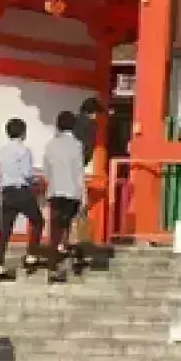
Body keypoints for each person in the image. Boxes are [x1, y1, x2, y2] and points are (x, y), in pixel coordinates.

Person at [0, 117, 43, 282]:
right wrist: (36, 180)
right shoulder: (24, 151)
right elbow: (28, 174)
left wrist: (2, 187)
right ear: (22, 133)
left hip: (7, 192)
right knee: (38, 221)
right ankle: (31, 257)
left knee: (4, 230)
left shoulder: (2, 151)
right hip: (22, 191)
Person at [41, 111, 88, 283]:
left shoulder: (50, 145)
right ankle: (71, 260)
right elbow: (79, 172)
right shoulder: (77, 145)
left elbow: (46, 171)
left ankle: (53, 266)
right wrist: (84, 194)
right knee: (70, 225)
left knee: (55, 229)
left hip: (55, 191)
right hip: (72, 192)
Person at [70, 98, 104, 267]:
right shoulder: (90, 126)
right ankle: (80, 251)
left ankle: (65, 245)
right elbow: (87, 150)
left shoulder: (73, 124)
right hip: (77, 169)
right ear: (93, 113)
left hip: (64, 170)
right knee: (81, 208)